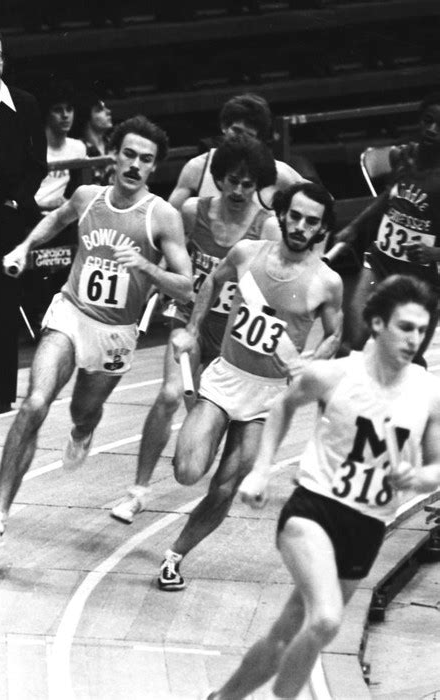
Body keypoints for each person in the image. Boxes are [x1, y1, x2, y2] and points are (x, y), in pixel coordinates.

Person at [208, 274, 440, 700]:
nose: (415, 339)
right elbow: (282, 406)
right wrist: (261, 469)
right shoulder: (333, 375)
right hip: (314, 510)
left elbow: (436, 467)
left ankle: (222, 698)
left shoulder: (428, 393)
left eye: (422, 331)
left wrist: (417, 478)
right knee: (327, 619)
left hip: (368, 525)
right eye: (406, 327)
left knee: (291, 629)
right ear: (377, 324)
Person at [0, 115, 192, 549]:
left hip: (114, 334)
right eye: (128, 154)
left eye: (145, 159)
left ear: (154, 167)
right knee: (34, 404)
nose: (134, 165)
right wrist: (24, 246)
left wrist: (147, 267)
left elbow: (186, 285)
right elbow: (57, 219)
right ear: (115, 155)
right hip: (70, 314)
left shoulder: (162, 216)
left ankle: (83, 431)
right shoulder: (88, 197)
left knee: (82, 411)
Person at [157, 181, 343, 591]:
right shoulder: (246, 253)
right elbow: (211, 283)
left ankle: (174, 556)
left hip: (269, 398)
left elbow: (334, 333)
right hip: (226, 378)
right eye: (294, 215)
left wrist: (313, 361)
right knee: (188, 471)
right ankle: (204, 422)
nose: (300, 226)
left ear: (322, 228)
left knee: (226, 486)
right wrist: (191, 328)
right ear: (282, 214)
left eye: (311, 221)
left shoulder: (327, 282)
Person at [111, 133, 280, 524]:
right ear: (218, 178)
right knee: (170, 394)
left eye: (248, 183)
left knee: (204, 433)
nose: (238, 190)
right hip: (188, 321)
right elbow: (170, 259)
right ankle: (137, 491)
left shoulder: (267, 227)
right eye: (231, 180)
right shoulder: (191, 211)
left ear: (258, 185)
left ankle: (206, 454)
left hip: (236, 338)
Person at [334, 92, 440, 363]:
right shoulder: (406, 155)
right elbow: (389, 196)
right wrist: (355, 227)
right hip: (379, 263)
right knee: (351, 343)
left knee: (408, 356)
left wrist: (435, 254)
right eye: (428, 121)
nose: (432, 130)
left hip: (422, 280)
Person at [0, 28, 47, 414]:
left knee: (4, 305)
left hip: (3, 212)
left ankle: (1, 396)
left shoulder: (24, 104)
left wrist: (17, 201)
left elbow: (39, 165)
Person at [168, 93, 305, 211]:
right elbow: (169, 218)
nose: (240, 139)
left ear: (259, 139)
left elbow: (321, 201)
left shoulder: (279, 173)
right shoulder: (197, 168)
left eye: (249, 135)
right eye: (236, 131)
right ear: (224, 127)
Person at [35, 81, 87, 216]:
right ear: (47, 113)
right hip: (30, 216)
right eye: (58, 110)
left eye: (69, 109)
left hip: (59, 218)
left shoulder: (78, 148)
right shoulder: (30, 147)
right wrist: (44, 205)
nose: (65, 115)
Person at [72, 92, 114, 185]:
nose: (108, 112)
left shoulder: (113, 144)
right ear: (87, 117)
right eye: (99, 110)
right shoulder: (77, 149)